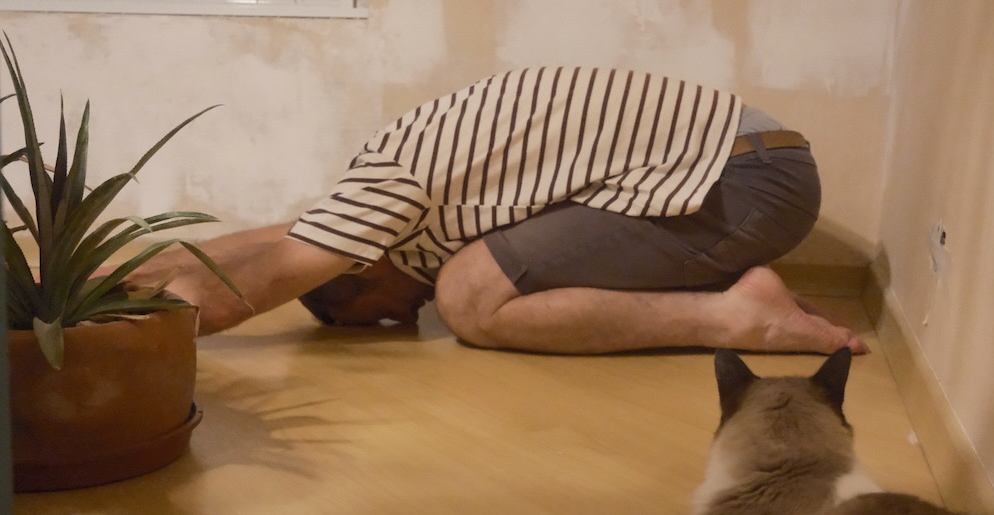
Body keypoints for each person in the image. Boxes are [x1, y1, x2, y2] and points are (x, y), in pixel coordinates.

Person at [132, 67, 864, 355]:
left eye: (385, 312)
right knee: (495, 271)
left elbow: (251, 286)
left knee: (471, 298)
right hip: (740, 164)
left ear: (361, 264)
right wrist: (130, 263)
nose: (401, 318)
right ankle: (733, 291)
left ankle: (742, 319)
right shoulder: (378, 196)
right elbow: (275, 237)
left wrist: (109, 321)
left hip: (745, 175)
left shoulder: (388, 186)